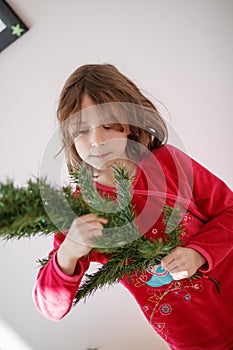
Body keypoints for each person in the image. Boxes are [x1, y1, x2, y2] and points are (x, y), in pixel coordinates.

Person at [33, 64, 233, 350]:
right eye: (81, 131)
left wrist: (198, 253)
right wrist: (67, 253)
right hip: (196, 339)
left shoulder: (169, 163)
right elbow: (49, 306)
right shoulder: (81, 208)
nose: (97, 140)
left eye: (107, 124)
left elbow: (229, 211)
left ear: (127, 122)